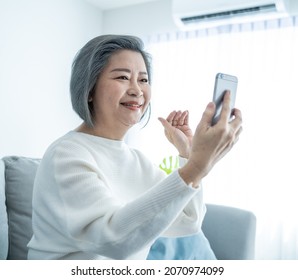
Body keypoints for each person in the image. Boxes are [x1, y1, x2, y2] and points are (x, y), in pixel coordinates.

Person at [27, 34, 242, 260]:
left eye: (143, 80)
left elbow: (189, 221)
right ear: (89, 89)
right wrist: (198, 165)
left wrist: (188, 156)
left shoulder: (137, 160)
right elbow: (114, 241)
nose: (137, 90)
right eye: (122, 77)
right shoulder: (66, 154)